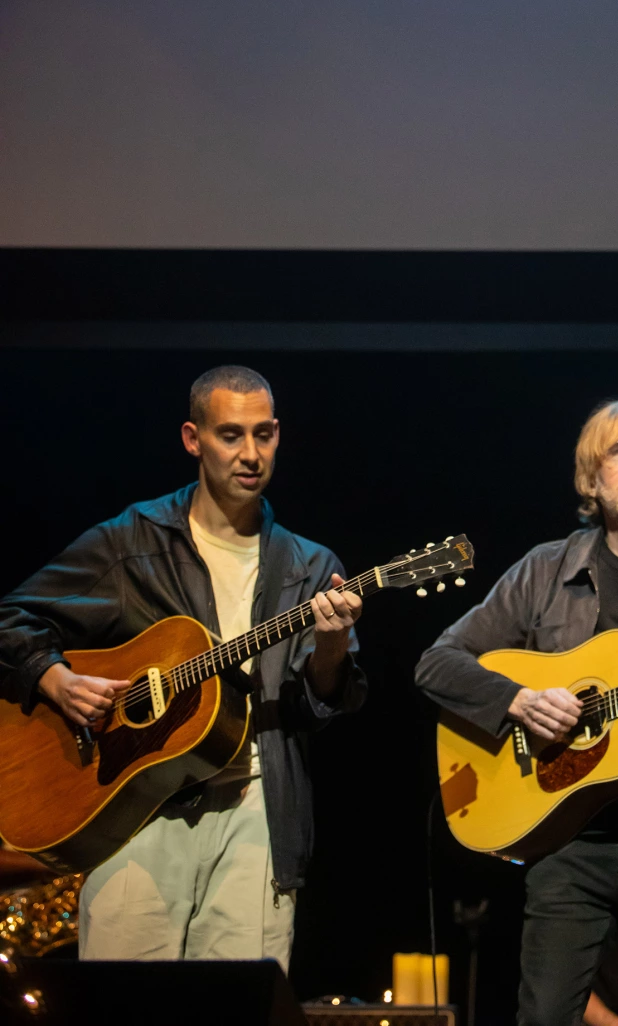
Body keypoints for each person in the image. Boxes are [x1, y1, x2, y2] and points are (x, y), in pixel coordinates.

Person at [0, 365, 365, 968]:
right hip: (135, 812)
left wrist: (331, 646)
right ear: (193, 439)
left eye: (264, 434)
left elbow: (319, 703)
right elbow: (13, 619)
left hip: (255, 810)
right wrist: (55, 679)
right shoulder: (133, 541)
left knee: (236, 1007)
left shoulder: (309, 563)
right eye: (230, 435)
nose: (251, 454)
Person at [416, 398, 618, 1026]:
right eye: (616, 451)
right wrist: (515, 699)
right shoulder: (546, 568)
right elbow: (436, 663)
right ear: (592, 478)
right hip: (566, 838)